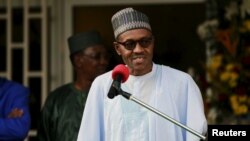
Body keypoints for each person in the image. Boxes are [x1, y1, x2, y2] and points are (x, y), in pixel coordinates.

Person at [77, 7, 207, 141]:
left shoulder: (181, 82)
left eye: (145, 42)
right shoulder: (103, 84)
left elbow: (196, 134)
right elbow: (89, 136)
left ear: (153, 42)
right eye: (129, 44)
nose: (138, 50)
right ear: (118, 48)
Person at [37, 30, 110, 141]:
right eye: (96, 56)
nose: (103, 61)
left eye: (105, 56)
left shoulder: (112, 95)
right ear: (78, 61)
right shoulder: (57, 100)